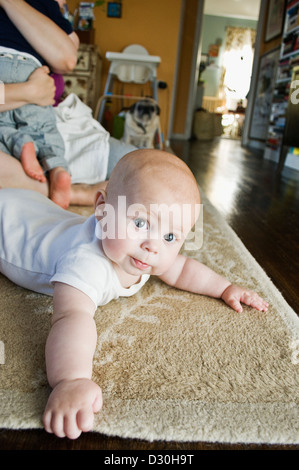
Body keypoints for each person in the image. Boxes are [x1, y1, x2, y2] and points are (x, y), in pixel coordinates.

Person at [0, 149, 269, 440]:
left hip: (34, 208)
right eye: (140, 223)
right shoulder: (86, 262)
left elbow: (182, 269)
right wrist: (70, 380)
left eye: (170, 237)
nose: (153, 246)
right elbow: (71, 317)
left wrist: (226, 288)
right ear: (101, 211)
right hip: (7, 221)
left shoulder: (144, 253)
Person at [0, 0, 79, 208]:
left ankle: (21, 142)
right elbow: (72, 48)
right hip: (29, 67)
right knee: (43, 128)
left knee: (2, 126)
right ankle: (58, 169)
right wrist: (30, 92)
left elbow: (68, 57)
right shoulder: (47, 6)